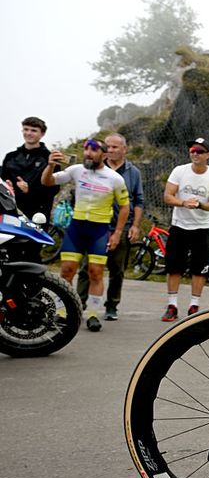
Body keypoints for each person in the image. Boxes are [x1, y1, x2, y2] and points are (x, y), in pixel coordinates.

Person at [40, 138, 129, 332]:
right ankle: (62, 313)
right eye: (86, 149)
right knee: (66, 272)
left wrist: (117, 233)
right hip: (77, 229)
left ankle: (93, 315)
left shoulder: (114, 178)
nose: (88, 153)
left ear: (104, 155)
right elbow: (47, 181)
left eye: (94, 150)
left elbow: (125, 206)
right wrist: (50, 165)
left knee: (95, 273)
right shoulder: (77, 170)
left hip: (99, 231)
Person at [76, 133, 145, 320]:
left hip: (121, 228)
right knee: (87, 268)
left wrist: (135, 226)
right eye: (108, 146)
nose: (111, 150)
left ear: (124, 149)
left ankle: (112, 306)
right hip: (95, 226)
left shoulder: (134, 173)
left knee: (117, 270)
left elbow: (138, 201)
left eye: (115, 147)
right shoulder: (93, 169)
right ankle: (78, 304)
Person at [161, 137, 209, 321]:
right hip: (179, 226)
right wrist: (183, 203)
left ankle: (194, 307)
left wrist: (199, 205)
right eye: (192, 150)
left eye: (199, 151)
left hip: (201, 228)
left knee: (199, 268)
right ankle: (172, 305)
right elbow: (167, 196)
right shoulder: (179, 171)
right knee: (174, 266)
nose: (195, 153)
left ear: (208, 155)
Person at [1, 117, 60, 262]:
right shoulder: (10, 157)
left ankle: (35, 285)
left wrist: (30, 190)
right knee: (10, 256)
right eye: (26, 129)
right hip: (11, 213)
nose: (29, 133)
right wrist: (8, 186)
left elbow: (54, 189)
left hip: (37, 215)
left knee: (31, 256)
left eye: (34, 130)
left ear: (42, 134)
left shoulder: (50, 158)